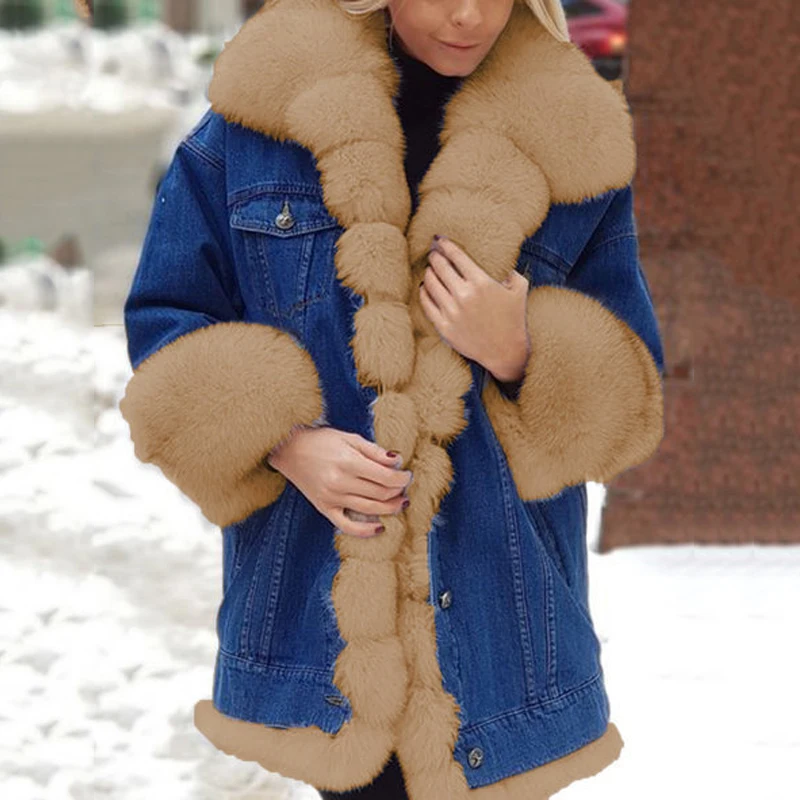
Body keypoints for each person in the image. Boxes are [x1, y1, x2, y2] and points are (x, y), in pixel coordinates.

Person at [112, 0, 666, 798]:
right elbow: (168, 319)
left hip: (503, 638)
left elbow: (631, 405)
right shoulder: (257, 125)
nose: (469, 14)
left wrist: (520, 350)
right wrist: (284, 442)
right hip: (323, 624)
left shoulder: (572, 143)